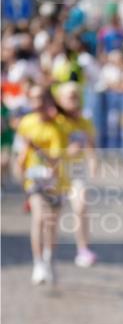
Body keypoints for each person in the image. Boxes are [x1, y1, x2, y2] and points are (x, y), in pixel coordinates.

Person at [15, 86, 69, 285]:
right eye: (33, 98)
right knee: (39, 219)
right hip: (34, 181)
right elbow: (21, 153)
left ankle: (48, 257)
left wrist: (36, 148)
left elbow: (55, 161)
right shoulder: (27, 123)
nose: (37, 103)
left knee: (52, 224)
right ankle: (38, 263)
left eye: (41, 98)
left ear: (48, 102)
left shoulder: (59, 127)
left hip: (56, 181)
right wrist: (21, 175)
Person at [54, 81, 98, 267]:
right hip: (56, 171)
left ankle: (83, 249)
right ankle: (48, 251)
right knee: (52, 214)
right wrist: (65, 152)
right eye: (69, 96)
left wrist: (93, 161)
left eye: (76, 96)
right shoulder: (56, 122)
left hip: (77, 171)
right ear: (60, 100)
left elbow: (90, 146)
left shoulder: (85, 122)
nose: (74, 100)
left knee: (81, 207)